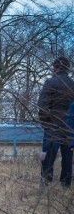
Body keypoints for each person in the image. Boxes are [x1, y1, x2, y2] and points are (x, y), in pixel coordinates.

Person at [38, 56, 74, 187]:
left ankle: (46, 183)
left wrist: (45, 123)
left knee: (48, 156)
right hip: (70, 128)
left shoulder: (50, 82)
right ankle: (65, 185)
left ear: (56, 67)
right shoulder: (72, 85)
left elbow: (42, 105)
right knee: (68, 158)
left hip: (53, 125)